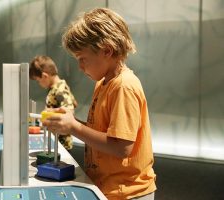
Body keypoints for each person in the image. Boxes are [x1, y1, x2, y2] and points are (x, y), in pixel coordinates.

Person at [42, 8, 156, 200]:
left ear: (106, 50)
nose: (80, 67)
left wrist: (75, 127)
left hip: (129, 193)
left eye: (82, 59)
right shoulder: (102, 84)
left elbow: (122, 147)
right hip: (108, 187)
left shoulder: (124, 86)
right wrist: (70, 122)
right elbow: (105, 133)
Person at [29, 55, 77, 151]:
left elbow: (69, 112)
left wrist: (49, 114)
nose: (39, 84)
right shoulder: (56, 88)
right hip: (56, 140)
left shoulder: (59, 90)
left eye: (38, 81)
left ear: (44, 76)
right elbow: (75, 103)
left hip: (62, 143)